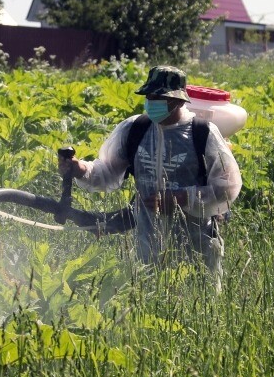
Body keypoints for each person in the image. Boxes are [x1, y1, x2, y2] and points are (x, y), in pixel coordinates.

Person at [58, 65, 242, 289]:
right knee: (153, 303)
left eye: (160, 97)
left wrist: (182, 198)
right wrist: (80, 169)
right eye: (150, 96)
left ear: (179, 101)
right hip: (148, 246)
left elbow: (227, 187)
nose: (152, 102)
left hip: (197, 247)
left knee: (197, 306)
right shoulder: (135, 129)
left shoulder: (203, 133)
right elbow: (107, 171)